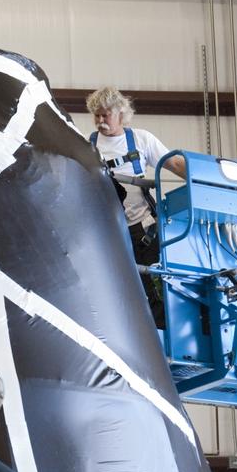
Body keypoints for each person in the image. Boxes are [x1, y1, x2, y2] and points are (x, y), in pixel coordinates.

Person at [87, 86, 187, 326]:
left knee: (160, 285)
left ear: (121, 114)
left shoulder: (141, 140)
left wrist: (205, 181)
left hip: (143, 229)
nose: (101, 121)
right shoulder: (88, 145)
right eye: (97, 116)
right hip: (109, 234)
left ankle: (168, 330)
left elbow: (174, 164)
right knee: (125, 292)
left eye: (105, 115)